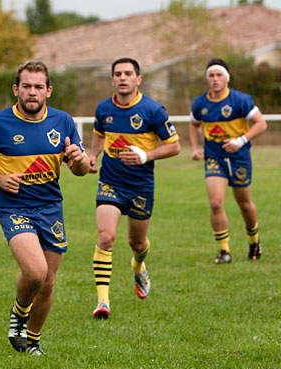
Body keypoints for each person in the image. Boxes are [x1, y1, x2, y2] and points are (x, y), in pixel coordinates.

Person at [0, 60, 89, 355]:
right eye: (26, 86)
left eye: (38, 87)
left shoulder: (62, 122)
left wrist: (79, 158)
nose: (32, 92)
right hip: (14, 208)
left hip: (50, 208)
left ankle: (31, 341)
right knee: (36, 272)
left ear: (48, 91)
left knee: (48, 282)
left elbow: (82, 169)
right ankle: (19, 312)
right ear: (16, 89)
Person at [88, 57, 180, 320]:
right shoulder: (103, 108)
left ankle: (138, 263)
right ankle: (102, 301)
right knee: (106, 237)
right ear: (112, 79)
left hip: (141, 185)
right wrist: (93, 154)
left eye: (128, 73)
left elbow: (174, 146)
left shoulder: (153, 110)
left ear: (138, 79)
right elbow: (99, 133)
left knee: (136, 242)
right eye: (118, 74)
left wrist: (146, 156)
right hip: (110, 181)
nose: (122, 77)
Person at [189, 58, 267, 264]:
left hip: (239, 158)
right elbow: (194, 124)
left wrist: (240, 141)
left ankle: (254, 241)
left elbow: (260, 124)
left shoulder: (240, 100)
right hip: (214, 157)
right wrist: (196, 148)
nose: (215, 79)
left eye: (219, 75)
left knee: (244, 204)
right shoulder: (200, 103)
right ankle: (224, 251)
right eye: (211, 76)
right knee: (215, 203)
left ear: (227, 78)